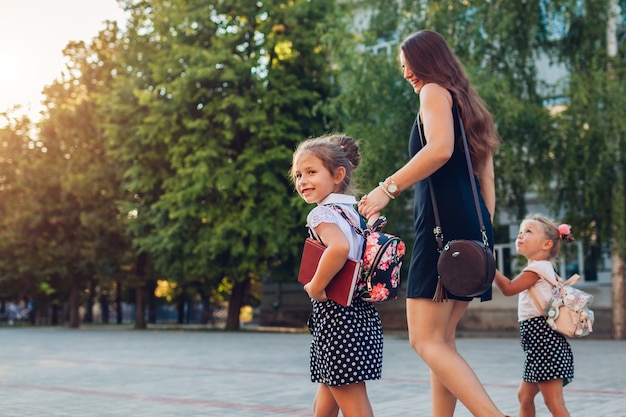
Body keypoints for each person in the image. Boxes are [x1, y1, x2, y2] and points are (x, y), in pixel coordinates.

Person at [358, 30, 509, 416]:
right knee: (441, 341)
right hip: (473, 229)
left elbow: (439, 149)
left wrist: (385, 189)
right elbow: (486, 179)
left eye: (408, 63)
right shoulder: (470, 107)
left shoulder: (433, 92)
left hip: (442, 230)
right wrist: (484, 234)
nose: (405, 71)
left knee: (424, 340)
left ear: (428, 60)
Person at [291, 134, 384, 417]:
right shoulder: (352, 214)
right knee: (327, 400)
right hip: (360, 314)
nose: (302, 181)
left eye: (311, 172)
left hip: (337, 317)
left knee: (353, 402)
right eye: (297, 174)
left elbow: (339, 248)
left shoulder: (321, 215)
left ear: (338, 174)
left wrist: (316, 286)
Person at [493, 215, 575, 417]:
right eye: (520, 231)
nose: (521, 235)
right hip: (539, 346)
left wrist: (490, 267)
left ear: (547, 244)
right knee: (525, 397)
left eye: (528, 231)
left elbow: (509, 288)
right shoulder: (542, 268)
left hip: (544, 345)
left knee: (554, 402)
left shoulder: (537, 268)